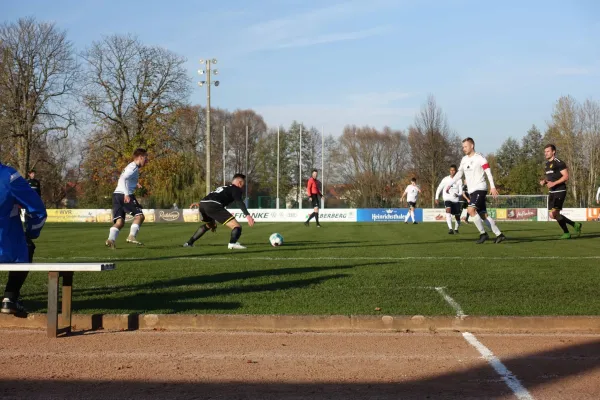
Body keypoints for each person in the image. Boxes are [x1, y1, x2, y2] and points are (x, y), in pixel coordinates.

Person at [1, 162, 47, 314]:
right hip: (6, 248)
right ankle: (10, 298)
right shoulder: (9, 177)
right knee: (27, 246)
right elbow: (38, 212)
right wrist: (31, 233)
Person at [447, 137, 506, 244]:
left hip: (480, 188)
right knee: (483, 215)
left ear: (472, 146)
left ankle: (483, 234)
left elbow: (488, 172)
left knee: (470, 210)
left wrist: (492, 186)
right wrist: (450, 184)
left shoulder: (480, 158)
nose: (463, 148)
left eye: (465, 146)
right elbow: (459, 174)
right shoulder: (464, 160)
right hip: (472, 191)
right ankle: (499, 234)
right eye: (463, 147)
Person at [184, 174, 255, 249]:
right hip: (213, 205)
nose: (242, 188)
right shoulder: (236, 189)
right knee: (237, 226)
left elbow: (212, 196)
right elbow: (239, 202)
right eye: (243, 185)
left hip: (203, 204)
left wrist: (200, 203)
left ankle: (189, 243)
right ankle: (232, 244)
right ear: (239, 183)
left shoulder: (224, 187)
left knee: (210, 224)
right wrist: (247, 215)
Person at [105, 148, 148, 249]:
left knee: (120, 222)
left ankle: (110, 240)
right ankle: (131, 236)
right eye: (145, 158)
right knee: (140, 216)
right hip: (124, 194)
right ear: (140, 157)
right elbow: (123, 178)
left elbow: (126, 178)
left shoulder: (132, 167)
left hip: (116, 195)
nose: (146, 161)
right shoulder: (133, 168)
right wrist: (126, 194)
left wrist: (135, 183)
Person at [539, 144, 582, 239]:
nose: (546, 153)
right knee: (552, 215)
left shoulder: (559, 163)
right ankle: (574, 225)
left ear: (553, 151)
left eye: (548, 151)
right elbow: (550, 178)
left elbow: (566, 176)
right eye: (545, 152)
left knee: (554, 213)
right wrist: (544, 181)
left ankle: (567, 233)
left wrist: (554, 184)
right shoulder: (546, 165)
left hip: (560, 190)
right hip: (552, 192)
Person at [435, 165, 463, 234]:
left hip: (455, 199)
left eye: (453, 170)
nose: (452, 171)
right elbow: (439, 188)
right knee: (448, 210)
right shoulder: (445, 179)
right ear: (449, 171)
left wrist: (458, 194)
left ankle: (456, 228)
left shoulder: (459, 180)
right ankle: (450, 229)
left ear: (456, 171)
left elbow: (461, 192)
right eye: (451, 170)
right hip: (447, 198)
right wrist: (436, 197)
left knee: (457, 215)